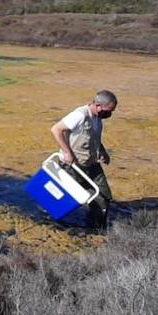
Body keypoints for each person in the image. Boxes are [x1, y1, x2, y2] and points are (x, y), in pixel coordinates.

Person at [50, 90, 118, 230]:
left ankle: (96, 228)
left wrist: (103, 152)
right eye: (108, 111)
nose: (109, 114)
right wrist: (67, 152)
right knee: (63, 198)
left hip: (91, 164)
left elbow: (95, 138)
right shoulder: (80, 115)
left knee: (103, 196)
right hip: (72, 165)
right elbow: (56, 129)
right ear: (98, 106)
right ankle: (52, 224)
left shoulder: (98, 120)